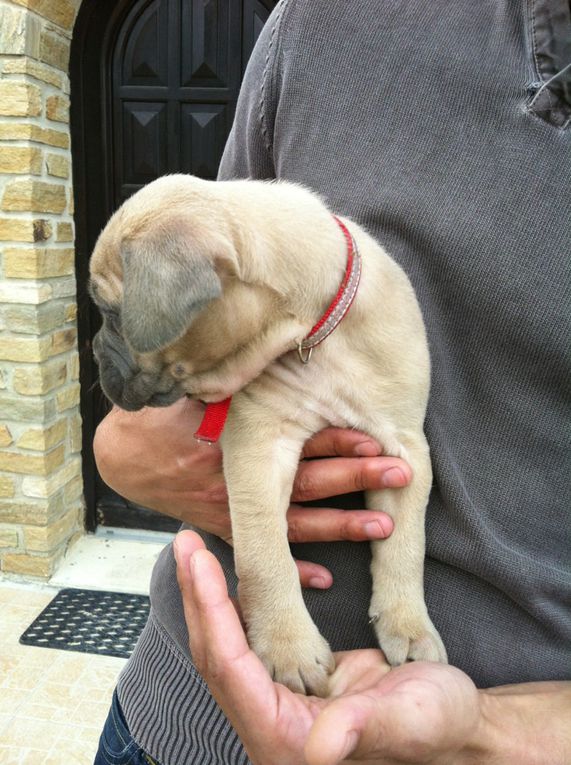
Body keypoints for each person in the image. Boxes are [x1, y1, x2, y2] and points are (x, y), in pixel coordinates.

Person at [93, 1, 571, 763]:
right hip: (180, 713)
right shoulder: (326, 20)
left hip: (472, 731)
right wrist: (122, 447)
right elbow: (209, 265)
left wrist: (485, 730)